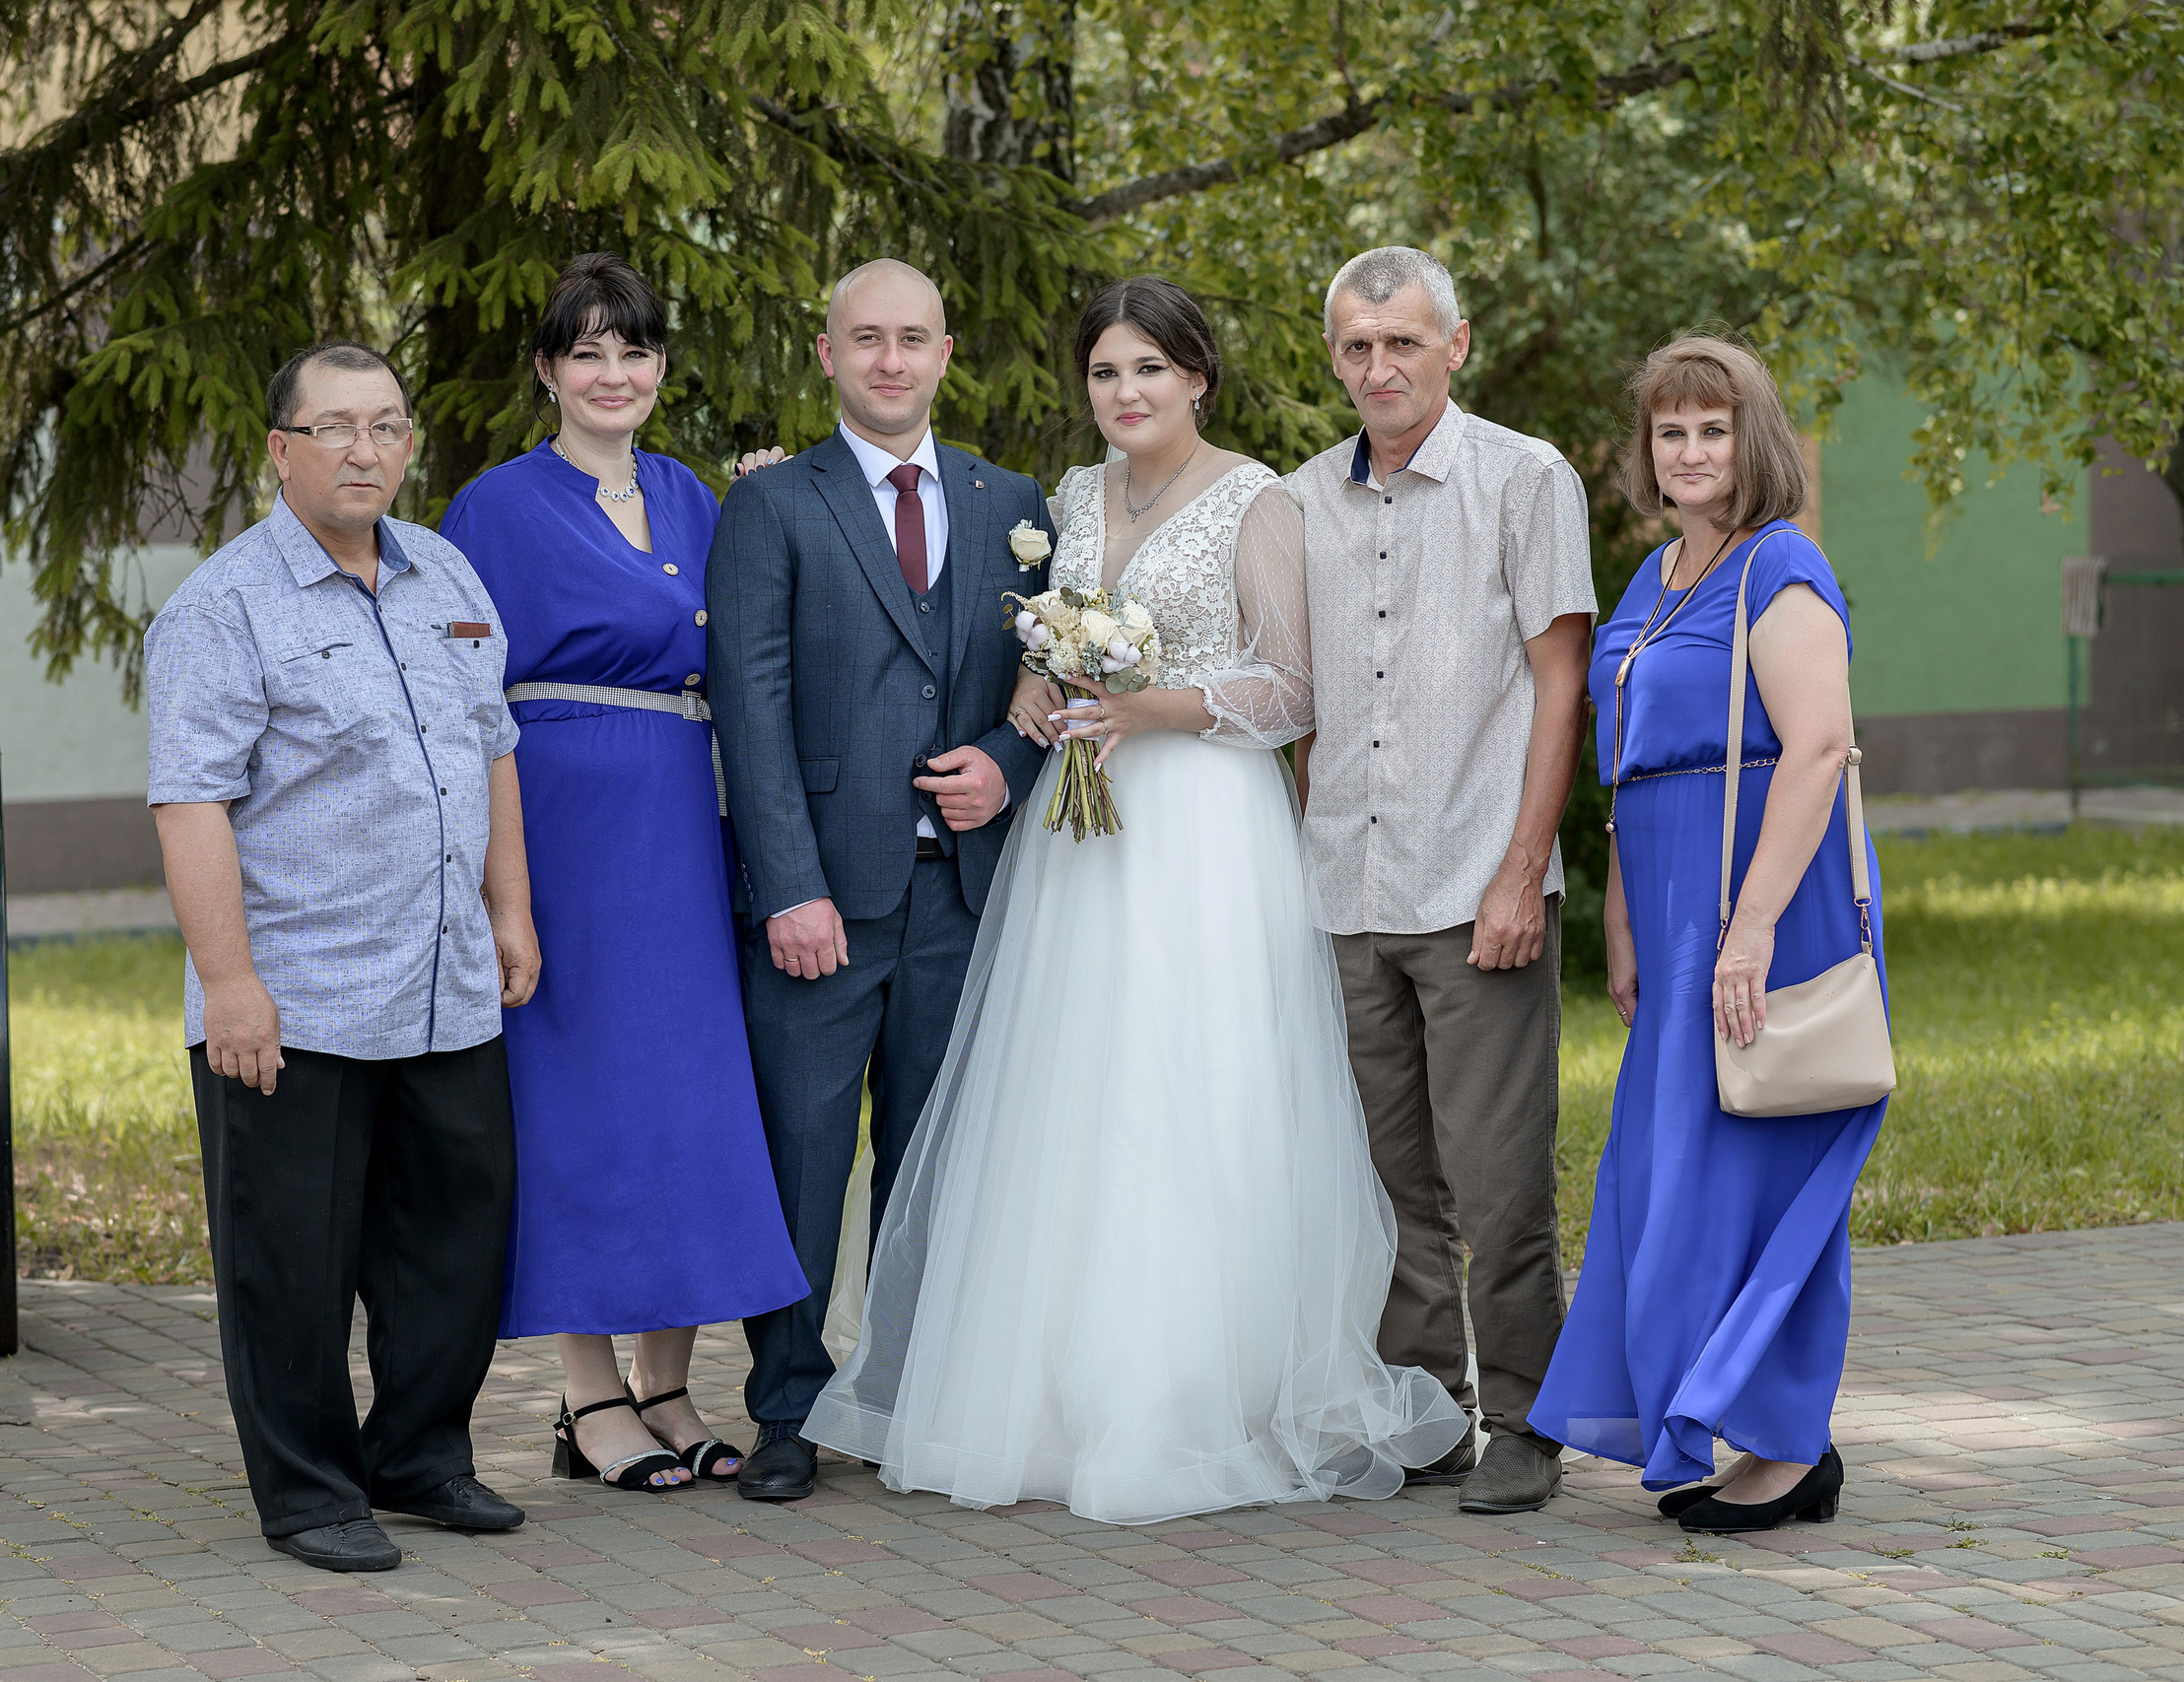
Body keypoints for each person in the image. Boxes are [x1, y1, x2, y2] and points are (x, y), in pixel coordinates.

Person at [801, 277, 1470, 1524]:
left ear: (1196, 378)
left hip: (1201, 830)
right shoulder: (1065, 496)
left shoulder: (1254, 499)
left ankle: (1192, 1390)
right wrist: (1028, 726)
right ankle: (1048, 1391)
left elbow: (1293, 687)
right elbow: (1035, 668)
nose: (1125, 395)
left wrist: (1152, 705)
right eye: (1106, 374)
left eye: (1148, 372)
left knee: (1190, 1083)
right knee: (1072, 1087)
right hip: (1078, 831)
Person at [145, 340, 536, 1573]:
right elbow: (190, 803)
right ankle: (311, 1493)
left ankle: (419, 1457)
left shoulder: (450, 576)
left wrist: (509, 911)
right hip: (297, 995)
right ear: (280, 450)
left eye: (384, 425)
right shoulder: (220, 607)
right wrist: (229, 984)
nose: (363, 449)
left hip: (446, 983)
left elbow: (492, 751)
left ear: (409, 442)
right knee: (292, 1265)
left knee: (457, 1244)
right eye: (334, 428)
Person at [438, 253, 806, 1493]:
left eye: (634, 351)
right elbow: (459, 708)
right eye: (586, 352)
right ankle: (585, 1398)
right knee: (580, 1108)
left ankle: (669, 1385)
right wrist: (502, 893)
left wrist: (779, 501)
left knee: (691, 1109)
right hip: (566, 829)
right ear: (548, 369)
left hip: (689, 831)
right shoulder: (492, 509)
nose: (613, 373)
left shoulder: (699, 498)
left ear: (659, 369)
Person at [705, 258, 1056, 1503]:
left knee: (936, 1157)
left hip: (960, 893)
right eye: (868, 339)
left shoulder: (1010, 498)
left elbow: (1046, 679)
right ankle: (787, 1410)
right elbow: (748, 706)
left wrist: (1007, 766)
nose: (891, 360)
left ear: (946, 353)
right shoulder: (772, 506)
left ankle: (905, 1396)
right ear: (827, 354)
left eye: (913, 338)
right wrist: (785, 884)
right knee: (803, 1157)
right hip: (823, 903)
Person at [1530, 334, 1884, 1533]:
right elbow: (1629, 769)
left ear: (1754, 443)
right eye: (1669, 431)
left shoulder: (1779, 567)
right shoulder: (1656, 576)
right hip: (1675, 904)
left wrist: (1749, 930)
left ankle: (1786, 1440)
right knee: (1673, 1164)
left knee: (1761, 1159)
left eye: (1712, 430)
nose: (1688, 451)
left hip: (1765, 899)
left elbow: (1819, 748)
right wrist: (1627, 921)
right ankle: (1735, 1414)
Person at [1289, 246, 1597, 1515]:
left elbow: (1560, 678)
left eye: (1402, 343)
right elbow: (1297, 694)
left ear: (1454, 345)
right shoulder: (1303, 498)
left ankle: (1528, 1417)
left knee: (1496, 1177)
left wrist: (1522, 871)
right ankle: (1426, 1412)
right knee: (1387, 1176)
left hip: (1478, 888)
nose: (1379, 368)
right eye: (1357, 347)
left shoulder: (1525, 479)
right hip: (1346, 890)